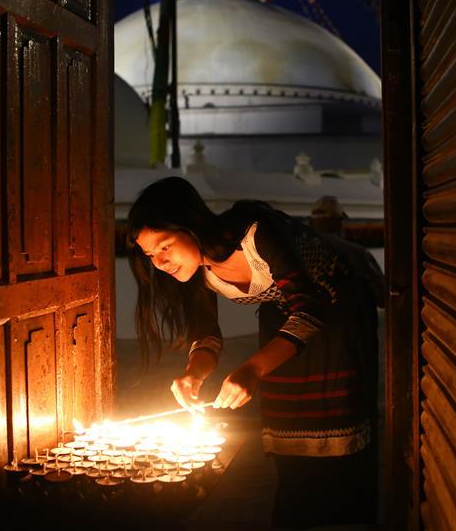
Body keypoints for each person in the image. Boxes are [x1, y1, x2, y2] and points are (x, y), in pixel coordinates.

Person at [126, 177, 378, 527]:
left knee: (338, 438)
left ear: (191, 224)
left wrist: (253, 369)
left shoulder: (257, 234)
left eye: (165, 246)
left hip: (335, 317)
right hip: (285, 328)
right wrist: (193, 373)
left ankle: (348, 518)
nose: (160, 262)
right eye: (151, 255)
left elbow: (309, 309)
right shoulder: (196, 270)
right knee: (290, 438)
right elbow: (206, 332)